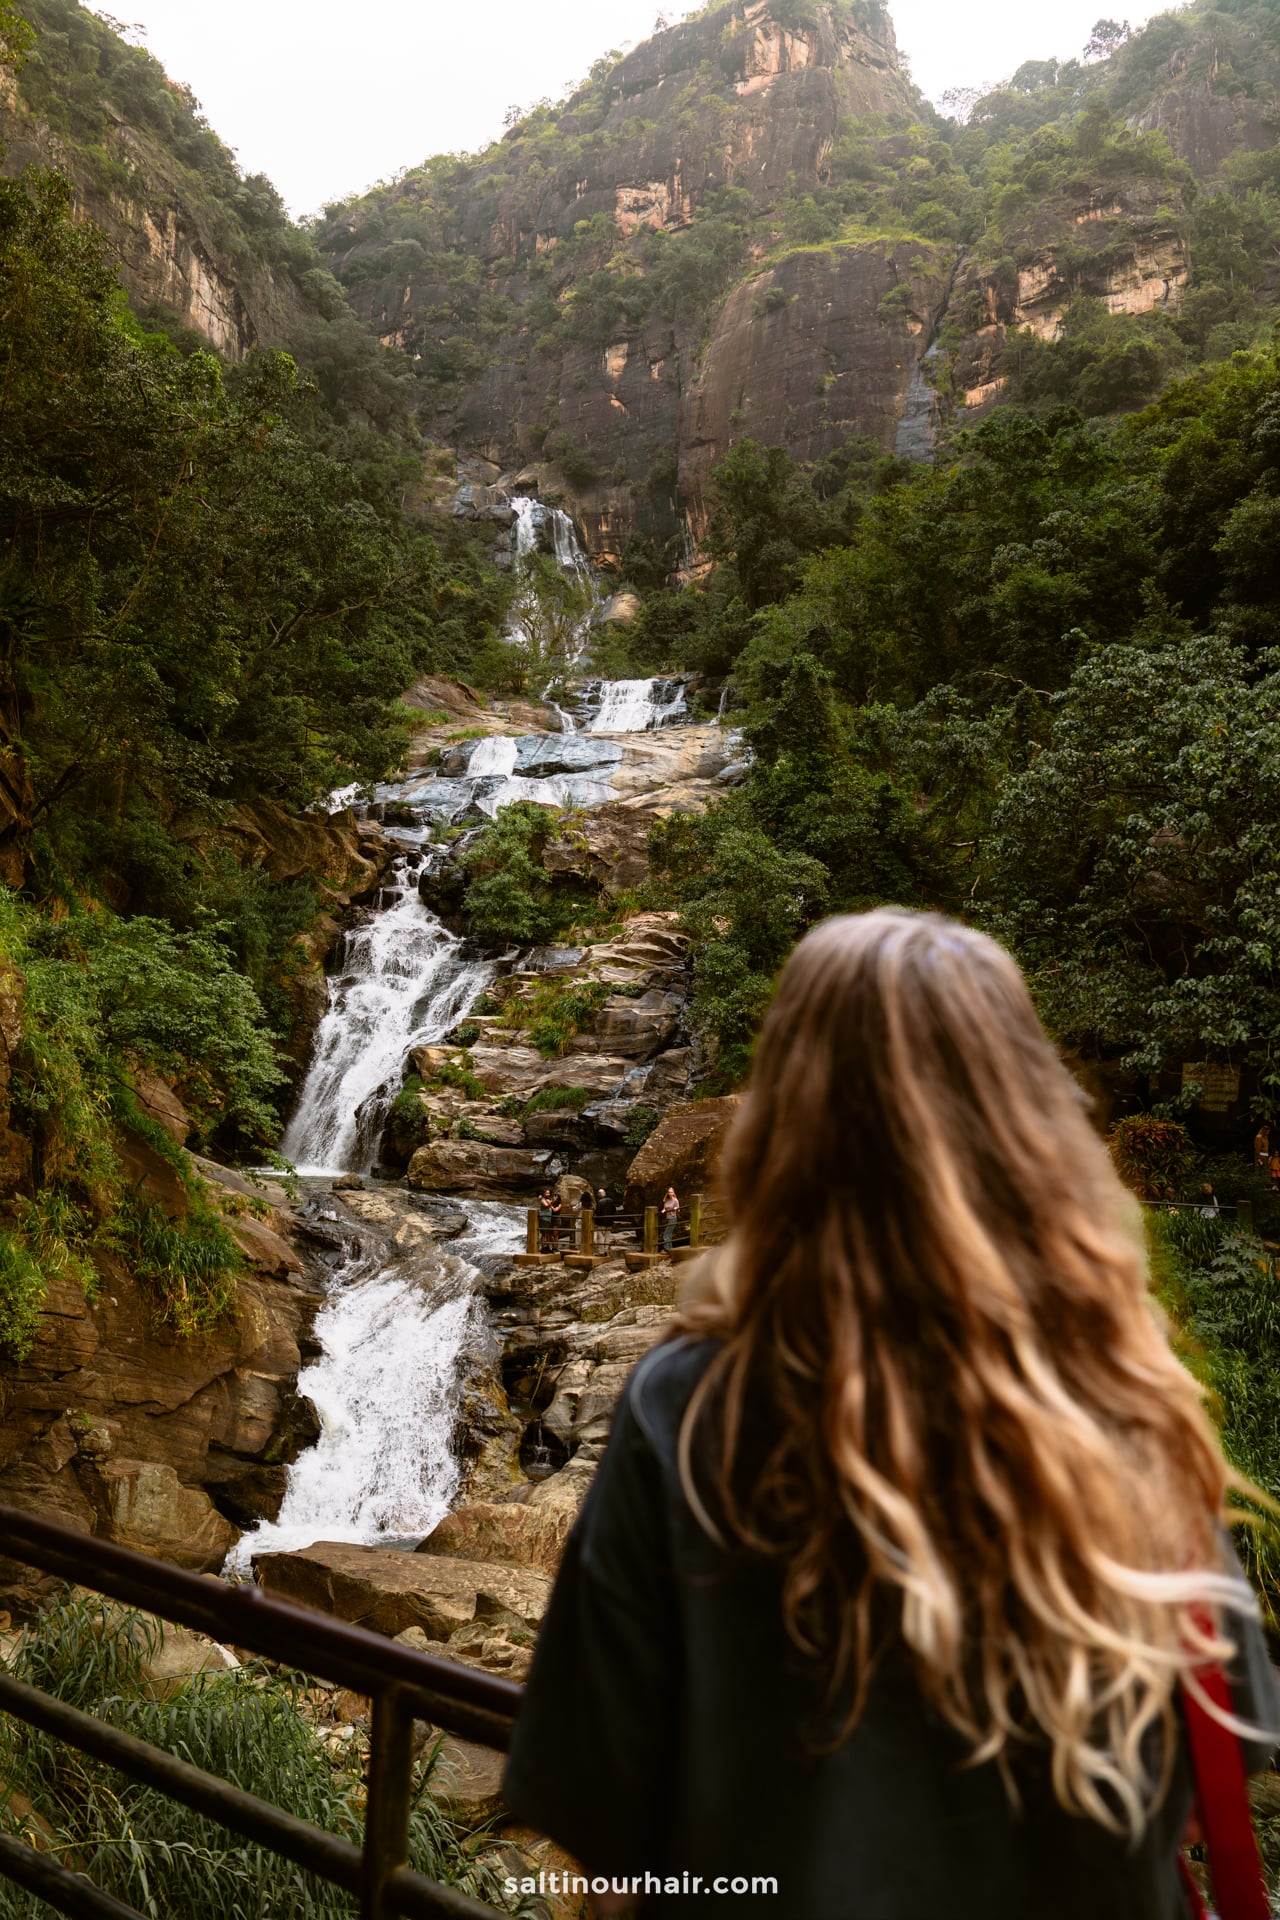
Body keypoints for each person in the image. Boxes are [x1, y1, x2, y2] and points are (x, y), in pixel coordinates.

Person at [504, 910, 1280, 1919]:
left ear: (783, 1125)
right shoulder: (1125, 1393)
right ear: (1031, 1120)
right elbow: (1230, 1736)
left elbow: (596, 1807)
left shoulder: (690, 1400)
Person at [537, 1186, 556, 1254]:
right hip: (544, 1218)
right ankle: (543, 1247)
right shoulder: (542, 1200)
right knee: (544, 1234)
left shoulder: (547, 1199)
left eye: (549, 1193)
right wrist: (553, 1201)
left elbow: (551, 1206)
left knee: (548, 1234)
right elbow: (546, 1206)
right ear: (544, 1194)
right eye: (547, 1193)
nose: (548, 1194)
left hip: (548, 1218)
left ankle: (547, 1247)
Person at [660, 1185, 679, 1252]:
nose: (670, 1193)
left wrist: (675, 1208)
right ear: (667, 1193)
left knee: (666, 1234)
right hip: (667, 1218)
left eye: (671, 1192)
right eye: (669, 1192)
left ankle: (666, 1248)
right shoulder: (666, 1200)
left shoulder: (675, 1200)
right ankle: (670, 1248)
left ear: (673, 1193)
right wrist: (663, 1210)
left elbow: (678, 1207)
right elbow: (665, 1207)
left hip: (673, 1218)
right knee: (669, 1234)